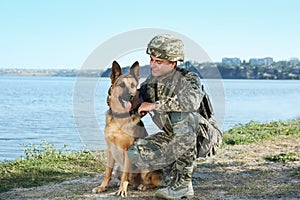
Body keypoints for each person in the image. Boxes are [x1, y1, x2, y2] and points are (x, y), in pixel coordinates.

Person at [127, 34, 208, 199]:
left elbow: (190, 103)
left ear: (173, 63)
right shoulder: (151, 82)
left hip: (199, 136)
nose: (152, 65)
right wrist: (123, 97)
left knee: (181, 115)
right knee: (136, 152)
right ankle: (174, 175)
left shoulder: (189, 78)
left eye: (159, 62)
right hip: (172, 136)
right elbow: (135, 100)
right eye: (151, 60)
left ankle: (184, 185)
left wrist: (154, 105)